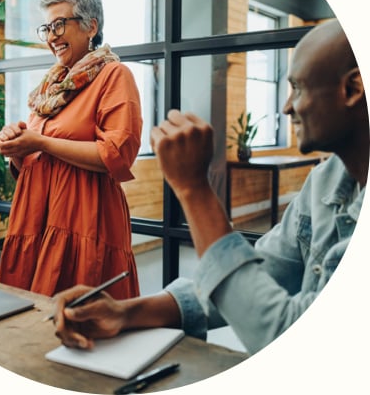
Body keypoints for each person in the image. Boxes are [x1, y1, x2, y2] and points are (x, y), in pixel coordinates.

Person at [50, 18, 368, 355]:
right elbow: (260, 274)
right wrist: (125, 312)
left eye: (299, 88)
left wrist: (194, 189)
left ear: (352, 88)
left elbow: (283, 333)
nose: (287, 106)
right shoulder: (325, 180)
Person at [0, 0, 142, 298]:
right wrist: (16, 148)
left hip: (84, 220)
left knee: (83, 321)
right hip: (35, 219)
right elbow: (31, 164)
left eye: (60, 24)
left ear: (91, 26)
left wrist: (40, 142)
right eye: (47, 27)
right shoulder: (50, 89)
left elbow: (115, 155)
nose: (51, 36)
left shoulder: (114, 76)